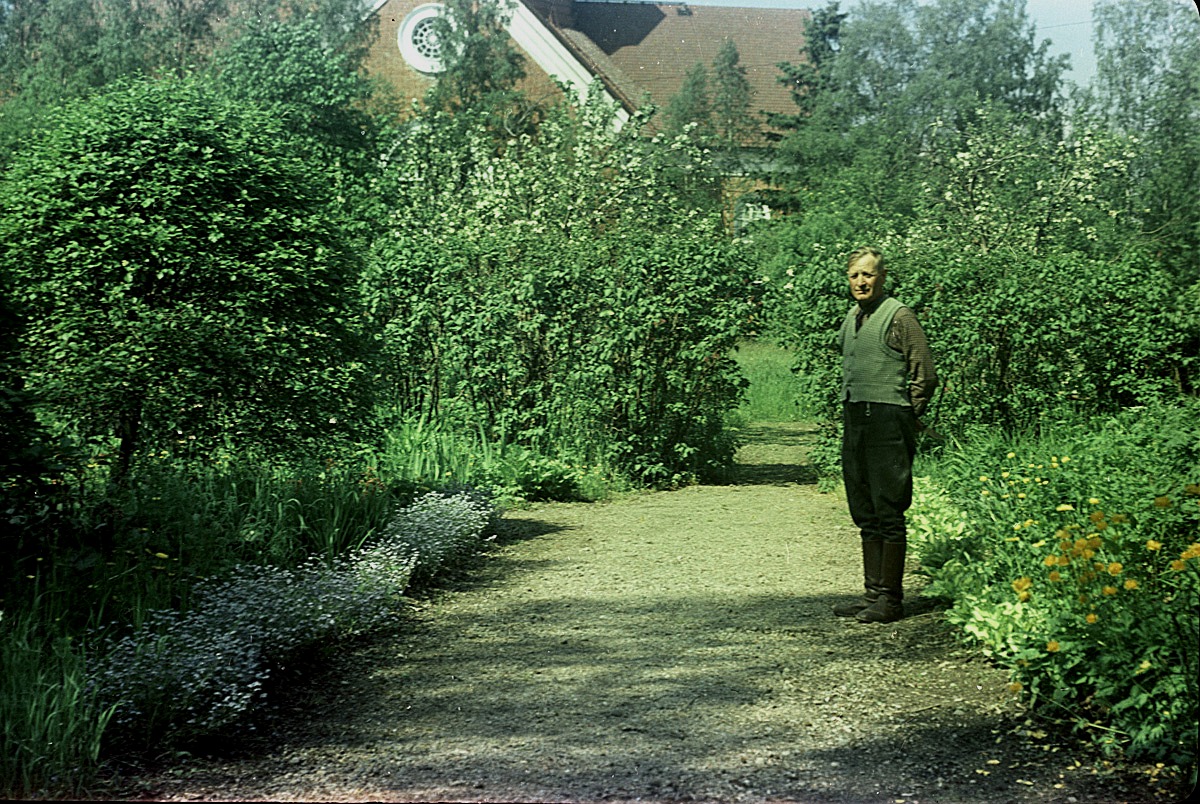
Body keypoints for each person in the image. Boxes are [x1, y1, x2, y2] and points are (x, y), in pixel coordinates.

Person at [833, 248, 938, 623]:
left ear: (882, 276)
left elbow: (924, 371)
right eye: (854, 276)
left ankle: (891, 600)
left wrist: (907, 415)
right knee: (864, 509)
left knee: (889, 508)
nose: (861, 282)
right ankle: (871, 594)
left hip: (888, 419)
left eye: (868, 275)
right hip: (855, 416)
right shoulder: (853, 316)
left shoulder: (900, 315)